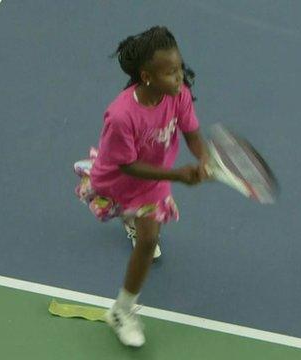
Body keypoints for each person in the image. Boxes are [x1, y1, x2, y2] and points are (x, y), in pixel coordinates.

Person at [73, 25, 210, 347]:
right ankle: (130, 217)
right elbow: (128, 165)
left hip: (153, 182)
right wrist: (178, 175)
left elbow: (191, 133)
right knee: (130, 213)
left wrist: (203, 159)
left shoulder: (179, 95)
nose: (179, 78)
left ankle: (120, 310)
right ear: (147, 77)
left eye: (179, 68)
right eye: (171, 72)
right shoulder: (121, 116)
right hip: (119, 177)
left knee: (148, 241)